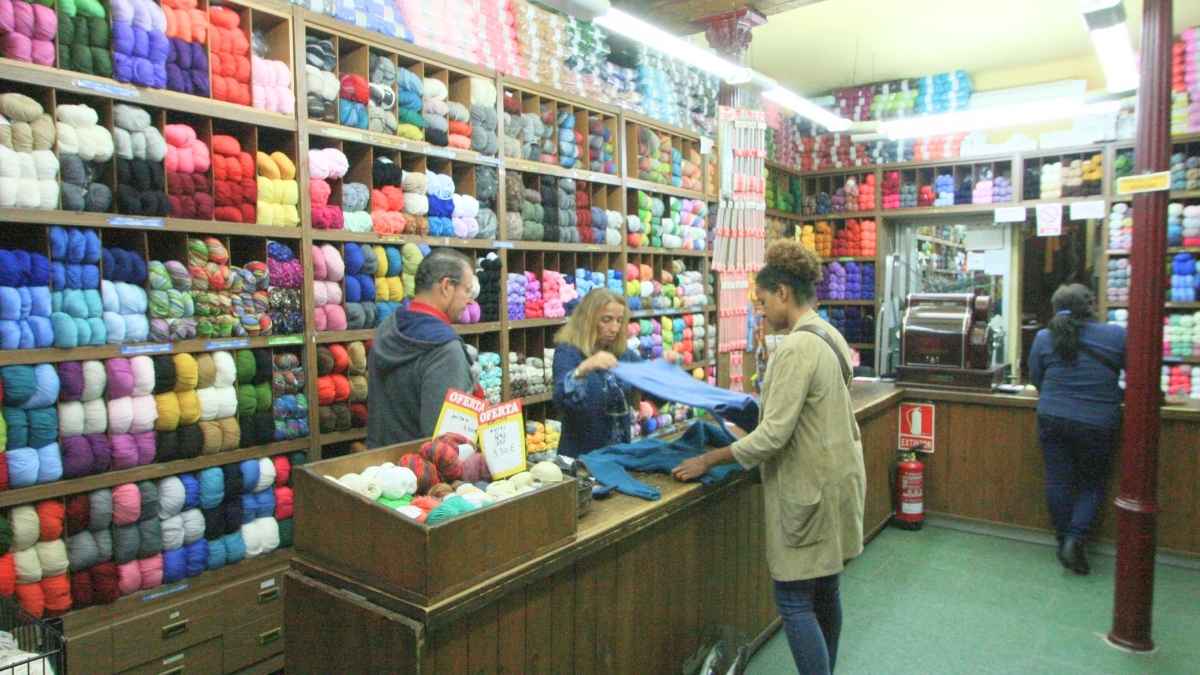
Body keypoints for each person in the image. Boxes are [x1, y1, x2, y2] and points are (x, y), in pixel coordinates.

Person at [672, 240, 864, 675]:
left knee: (794, 599)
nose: (759, 312)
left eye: (761, 303)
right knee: (826, 588)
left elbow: (773, 435)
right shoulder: (828, 333)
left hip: (809, 488)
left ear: (782, 292)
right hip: (839, 479)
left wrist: (711, 458)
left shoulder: (796, 347)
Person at [1028, 283, 1125, 575]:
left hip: (1053, 416)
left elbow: (1036, 378)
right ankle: (1075, 539)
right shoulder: (1116, 334)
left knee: (1058, 480)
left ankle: (1063, 541)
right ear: (1092, 305)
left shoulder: (1045, 337)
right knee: (1091, 484)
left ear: (1055, 308)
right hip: (1098, 421)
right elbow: (1135, 371)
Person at [367, 248, 480, 447]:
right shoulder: (445, 350)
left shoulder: (388, 326)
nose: (470, 300)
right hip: (422, 473)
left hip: (381, 467)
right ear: (446, 286)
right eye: (467, 290)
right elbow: (446, 444)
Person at [551, 289, 639, 457]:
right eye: (606, 320)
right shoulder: (568, 352)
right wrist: (583, 368)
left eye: (619, 321)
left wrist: (665, 366)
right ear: (588, 320)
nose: (615, 328)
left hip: (619, 455)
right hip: (582, 458)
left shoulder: (622, 353)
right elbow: (560, 400)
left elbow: (649, 378)